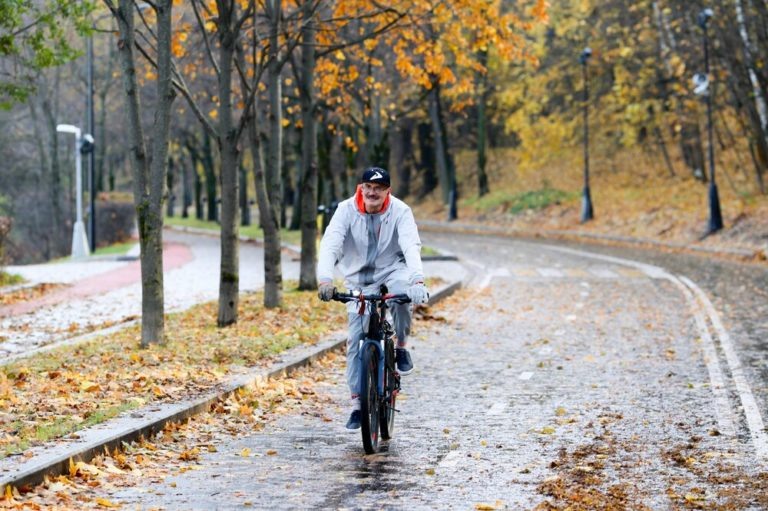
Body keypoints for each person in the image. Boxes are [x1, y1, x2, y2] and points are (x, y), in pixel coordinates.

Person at [317, 166, 429, 430]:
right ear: (361, 188)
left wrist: (417, 280)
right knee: (356, 341)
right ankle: (358, 404)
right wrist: (325, 279)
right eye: (368, 187)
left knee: (401, 299)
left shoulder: (400, 211)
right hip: (357, 279)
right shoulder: (346, 210)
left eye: (379, 189)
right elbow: (330, 243)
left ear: (387, 191)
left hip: (393, 271)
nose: (372, 192)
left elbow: (411, 246)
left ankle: (400, 347)